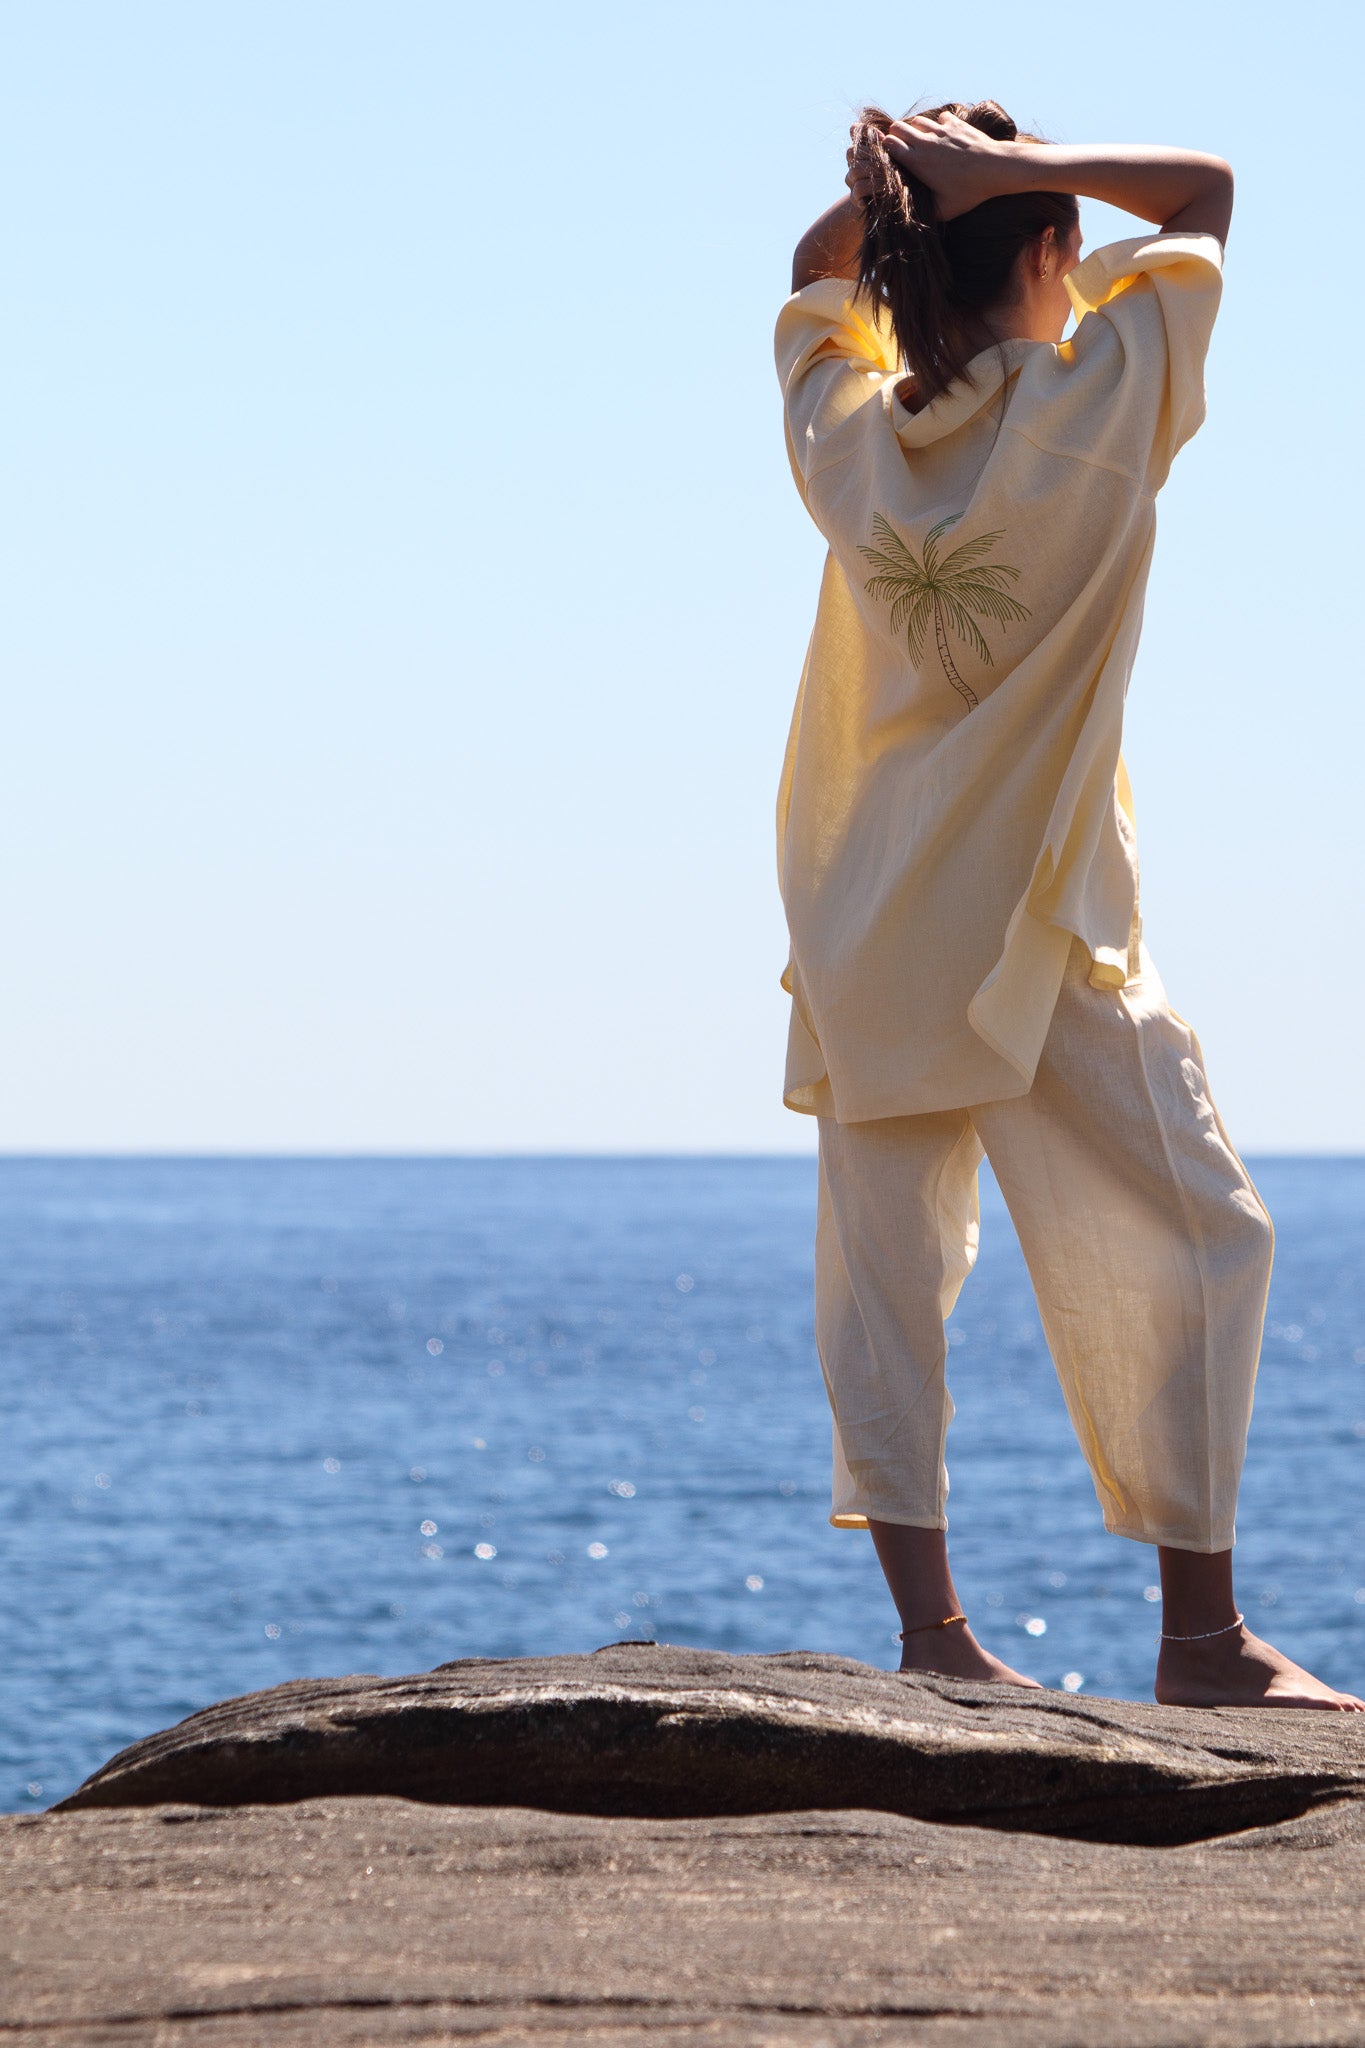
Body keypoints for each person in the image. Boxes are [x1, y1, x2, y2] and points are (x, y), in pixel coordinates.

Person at [775, 101, 1362, 1709]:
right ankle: (1197, 1643)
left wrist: (893, 205)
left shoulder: (846, 434)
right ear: (1043, 246)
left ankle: (933, 1643)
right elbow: (1205, 192)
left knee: (883, 1272)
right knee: (1202, 1233)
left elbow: (807, 286)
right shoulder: (1099, 403)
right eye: (1065, 243)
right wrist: (999, 177)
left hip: (869, 919)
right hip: (1038, 926)